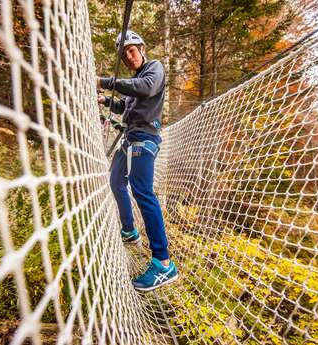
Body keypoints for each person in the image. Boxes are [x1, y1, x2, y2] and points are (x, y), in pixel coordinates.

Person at [97, 30, 178, 292]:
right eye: (124, 54)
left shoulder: (154, 69)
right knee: (115, 180)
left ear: (142, 49)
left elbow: (146, 88)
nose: (129, 57)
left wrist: (106, 81)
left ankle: (163, 263)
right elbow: (126, 107)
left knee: (142, 191)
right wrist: (107, 100)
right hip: (130, 137)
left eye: (131, 51)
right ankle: (130, 230)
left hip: (145, 137)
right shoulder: (134, 80)